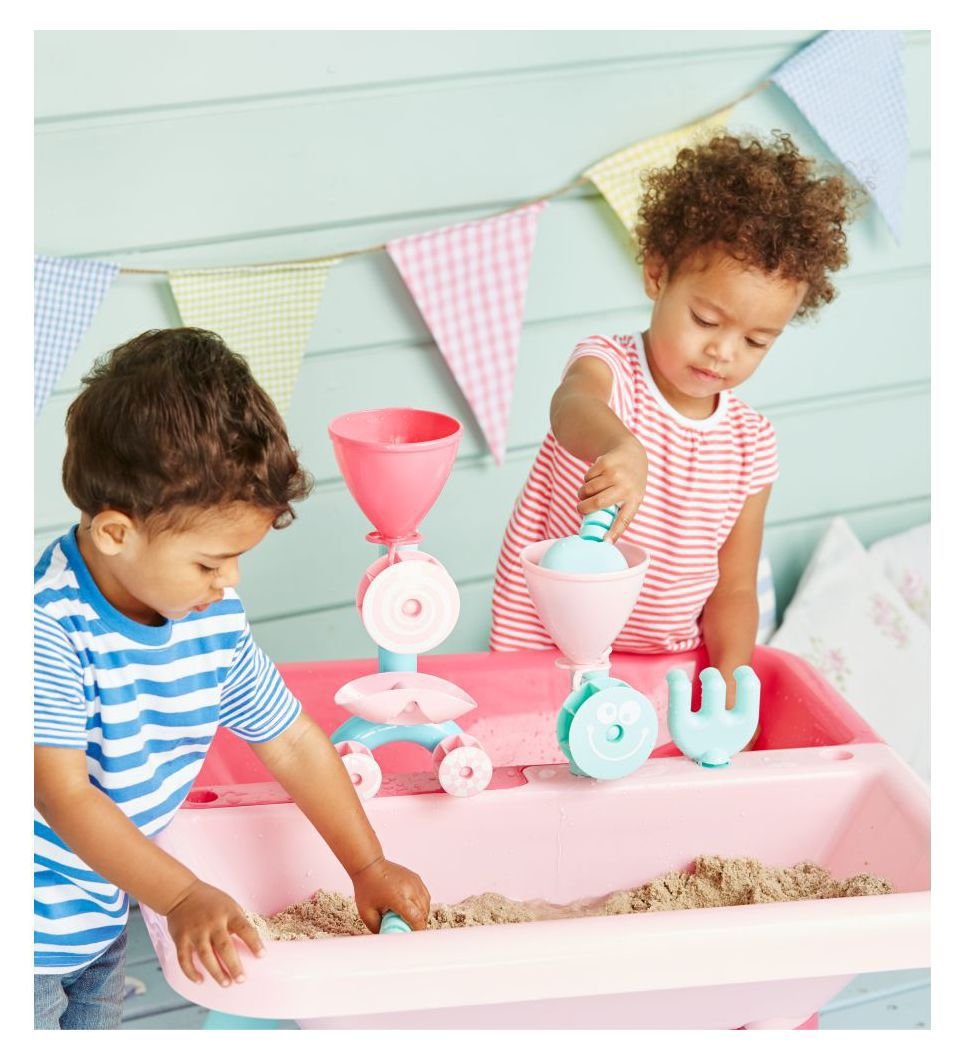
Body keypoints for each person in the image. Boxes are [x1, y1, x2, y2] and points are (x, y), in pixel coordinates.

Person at [34, 328, 431, 1030]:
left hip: (97, 920)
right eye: (211, 563)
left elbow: (291, 742)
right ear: (115, 534)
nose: (231, 581)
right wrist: (182, 896)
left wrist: (366, 863)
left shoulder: (205, 617)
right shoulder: (42, 630)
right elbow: (66, 799)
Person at [491, 132, 863, 706]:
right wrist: (621, 445)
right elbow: (570, 407)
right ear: (658, 274)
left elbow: (734, 587)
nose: (723, 351)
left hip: (664, 673)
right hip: (544, 658)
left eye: (756, 340)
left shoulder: (751, 444)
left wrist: (732, 684)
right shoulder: (610, 368)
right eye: (706, 319)